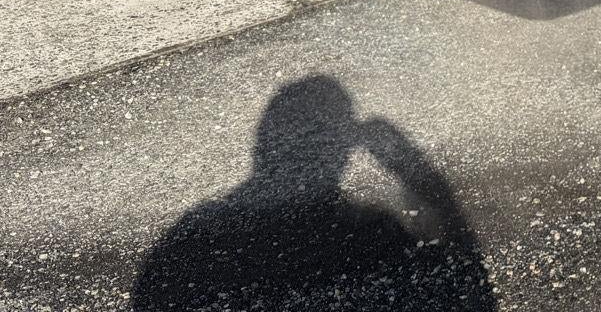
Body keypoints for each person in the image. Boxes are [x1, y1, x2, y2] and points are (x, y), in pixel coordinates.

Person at [131, 75, 495, 310]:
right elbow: (467, 285)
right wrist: (411, 168)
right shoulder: (371, 241)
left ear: (263, 145)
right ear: (345, 150)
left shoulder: (190, 243)